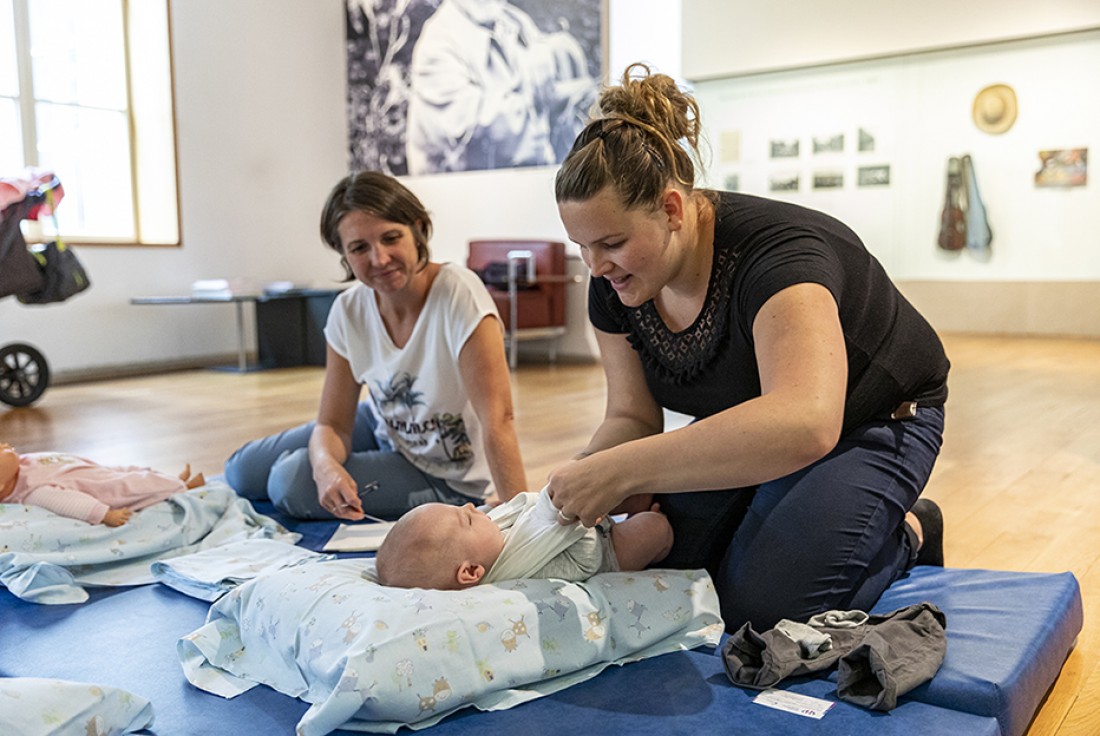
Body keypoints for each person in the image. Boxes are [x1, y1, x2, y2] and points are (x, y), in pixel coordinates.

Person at [545, 64, 950, 632]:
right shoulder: (614, 281)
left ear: (671, 209)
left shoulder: (779, 257)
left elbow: (806, 421)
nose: (596, 266)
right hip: (756, 425)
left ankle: (909, 529)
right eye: (581, 247)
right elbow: (631, 415)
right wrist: (579, 481)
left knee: (762, 609)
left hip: (875, 419)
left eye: (611, 243)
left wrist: (624, 471)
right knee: (666, 560)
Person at [224, 172, 527, 521]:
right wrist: (325, 465)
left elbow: (498, 419)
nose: (379, 259)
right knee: (242, 472)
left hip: (444, 473)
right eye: (359, 248)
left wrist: (522, 519)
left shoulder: (459, 294)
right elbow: (334, 424)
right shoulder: (349, 309)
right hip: (386, 423)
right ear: (344, 255)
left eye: (391, 238)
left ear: (417, 230)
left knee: (288, 483)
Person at [405, 0, 594, 174]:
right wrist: (548, 101)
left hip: (523, 188)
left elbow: (548, 76)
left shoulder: (512, 20)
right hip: (466, 197)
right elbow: (475, 134)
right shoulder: (438, 42)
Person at [374, 487, 672, 590]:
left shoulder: (485, 544)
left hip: (587, 520)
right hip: (609, 550)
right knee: (655, 527)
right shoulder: (519, 572)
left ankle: (632, 505)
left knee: (621, 488)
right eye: (465, 518)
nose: (469, 507)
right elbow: (584, 565)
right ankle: (646, 526)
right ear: (470, 572)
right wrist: (580, 526)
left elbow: (519, 517)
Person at [0, 442, 205, 526]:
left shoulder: (22, 463)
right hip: (101, 487)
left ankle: (173, 480)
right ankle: (184, 488)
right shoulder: (31, 491)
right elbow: (68, 502)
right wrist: (103, 514)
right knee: (134, 485)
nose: (4, 445)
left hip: (95, 470)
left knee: (133, 470)